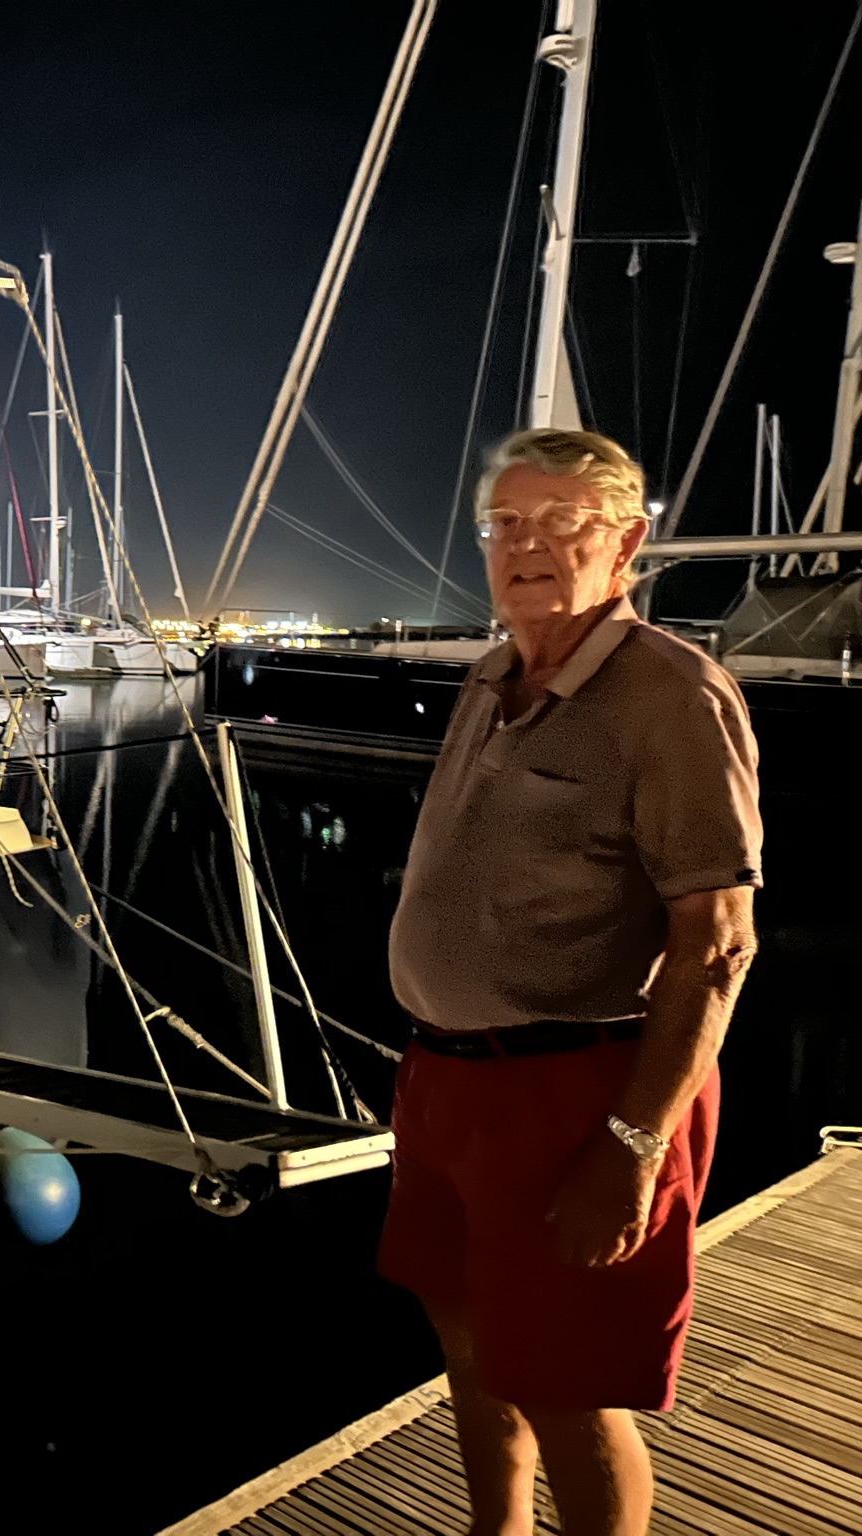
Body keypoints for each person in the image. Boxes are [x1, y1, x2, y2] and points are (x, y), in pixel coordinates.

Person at [380, 427, 762, 1536]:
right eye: (506, 524)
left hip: (573, 1092)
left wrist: (633, 1146)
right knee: (469, 1346)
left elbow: (717, 944)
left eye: (563, 523)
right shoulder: (492, 672)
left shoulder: (670, 696)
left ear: (626, 543)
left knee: (568, 1387)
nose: (526, 546)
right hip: (447, 1082)